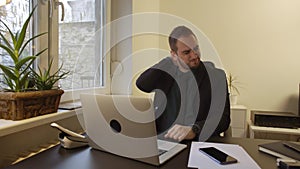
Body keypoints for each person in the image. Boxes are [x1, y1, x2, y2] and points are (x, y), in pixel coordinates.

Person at [136, 26, 230, 142]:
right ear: (174, 55)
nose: (195, 55)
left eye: (196, 48)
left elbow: (223, 119)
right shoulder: (166, 74)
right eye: (187, 52)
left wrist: (194, 129)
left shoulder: (216, 76)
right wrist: (168, 60)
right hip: (164, 141)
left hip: (197, 142)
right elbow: (142, 84)